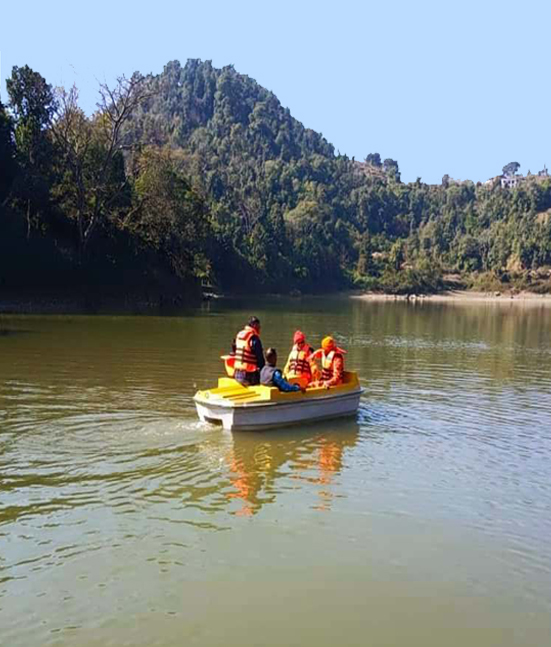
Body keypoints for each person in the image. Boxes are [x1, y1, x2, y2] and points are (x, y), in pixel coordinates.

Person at [232, 316, 265, 386]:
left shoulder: (239, 336)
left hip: (237, 373)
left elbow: (235, 351)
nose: (259, 328)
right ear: (254, 325)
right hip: (248, 376)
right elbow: (260, 360)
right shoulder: (254, 339)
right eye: (258, 326)